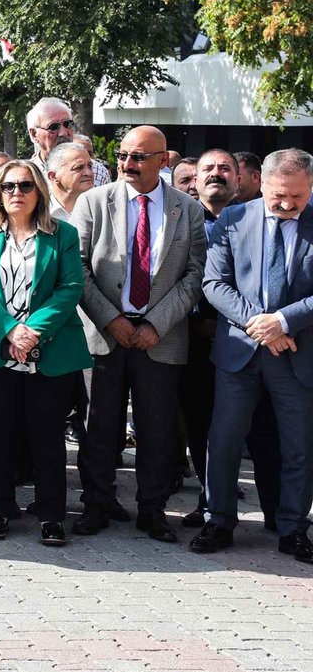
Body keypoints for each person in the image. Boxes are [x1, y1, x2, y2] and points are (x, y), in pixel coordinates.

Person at [71, 127, 206, 542]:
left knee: (158, 429)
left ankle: (152, 511)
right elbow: (76, 267)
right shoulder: (94, 203)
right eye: (124, 155)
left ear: (164, 161)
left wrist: (155, 324)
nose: (128, 164)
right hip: (104, 333)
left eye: (140, 157)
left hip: (160, 337)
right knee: (99, 427)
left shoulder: (188, 209)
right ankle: (96, 504)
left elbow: (195, 274)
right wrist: (111, 318)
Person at [191, 149, 313, 562]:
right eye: (279, 195)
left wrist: (284, 320)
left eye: (297, 197)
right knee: (223, 440)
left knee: (299, 446)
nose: (286, 204)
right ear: (260, 184)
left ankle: (294, 528)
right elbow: (214, 283)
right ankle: (219, 519)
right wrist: (260, 325)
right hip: (241, 351)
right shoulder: (234, 219)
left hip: (297, 354)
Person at [0, 160, 92, 547]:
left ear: (38, 191)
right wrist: (9, 330)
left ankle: (51, 515)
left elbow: (71, 287)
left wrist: (32, 331)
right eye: (7, 187)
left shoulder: (62, 234)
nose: (15, 193)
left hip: (51, 348)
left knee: (47, 436)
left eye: (24, 186)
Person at [178, 150, 279, 530]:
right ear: (195, 178)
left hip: (253, 341)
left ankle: (277, 513)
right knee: (204, 427)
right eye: (208, 169)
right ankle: (211, 503)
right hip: (195, 341)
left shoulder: (257, 218)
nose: (216, 174)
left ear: (240, 179)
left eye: (225, 169)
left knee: (265, 431)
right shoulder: (181, 218)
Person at [27, 97, 110, 186]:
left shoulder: (98, 171)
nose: (62, 133)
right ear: (34, 134)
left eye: (68, 124)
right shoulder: (25, 174)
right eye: (53, 127)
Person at [45, 142, 96, 217]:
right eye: (78, 167)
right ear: (53, 176)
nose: (88, 173)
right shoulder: (38, 212)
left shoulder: (103, 207)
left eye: (90, 166)